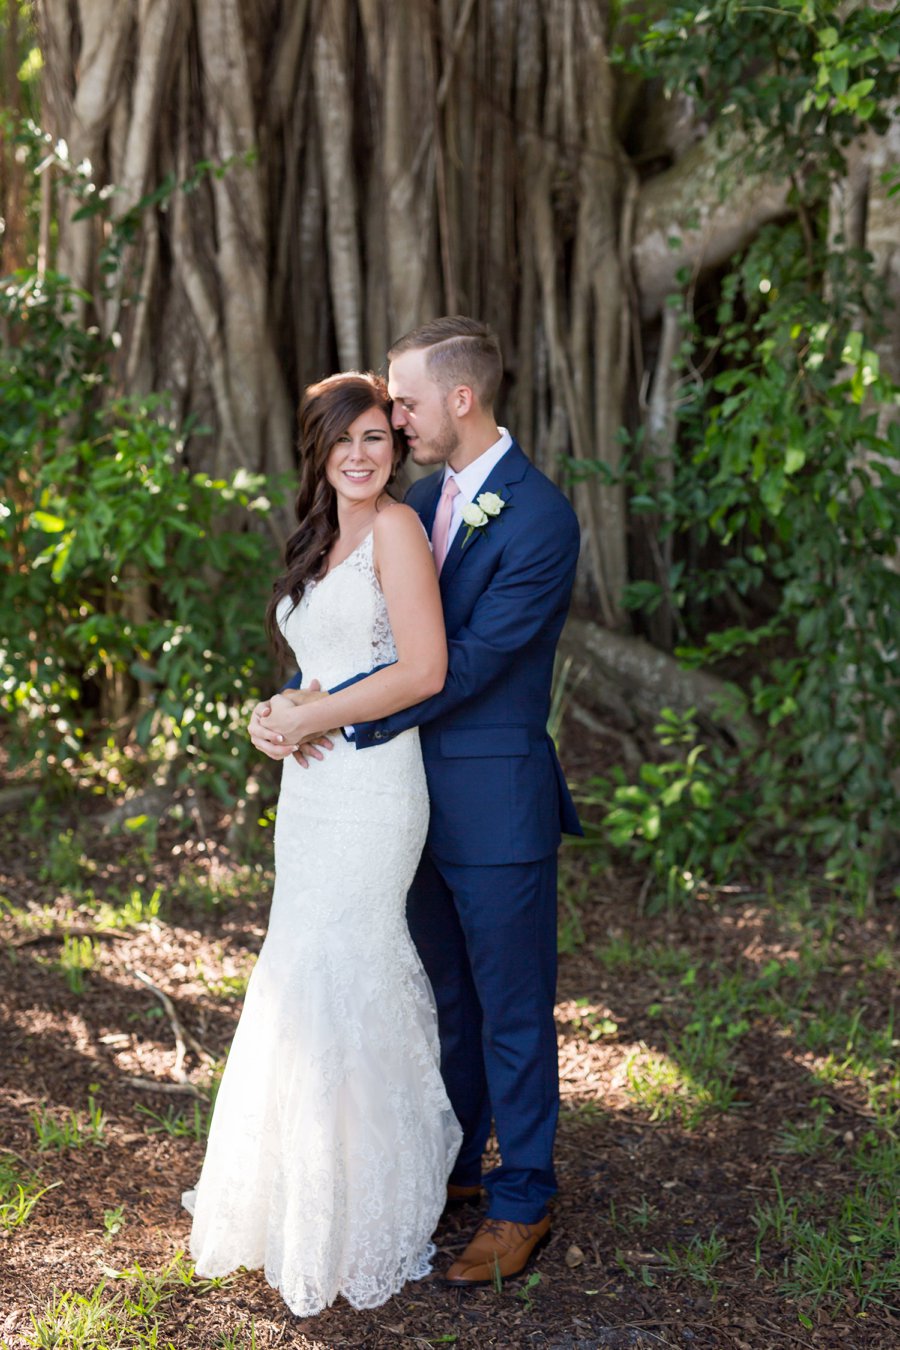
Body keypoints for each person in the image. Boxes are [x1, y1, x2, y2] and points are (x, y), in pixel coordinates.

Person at [253, 317, 582, 1286]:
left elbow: (462, 665)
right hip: (398, 802)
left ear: (460, 400)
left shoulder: (540, 517)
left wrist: (335, 718)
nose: (392, 419)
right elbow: (373, 637)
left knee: (513, 1006)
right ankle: (452, 1164)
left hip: (492, 798)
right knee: (442, 997)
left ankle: (526, 1195)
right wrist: (310, 703)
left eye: (403, 401)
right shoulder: (427, 496)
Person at [183, 371, 462, 1317]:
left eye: (378, 439)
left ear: (394, 447)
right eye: (343, 440)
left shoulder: (396, 530)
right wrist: (282, 710)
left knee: (352, 960)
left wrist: (315, 716)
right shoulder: (319, 536)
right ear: (319, 447)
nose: (360, 454)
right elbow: (324, 667)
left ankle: (367, 1207)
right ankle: (298, 1194)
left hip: (378, 789)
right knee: (299, 965)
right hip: (310, 796)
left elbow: (424, 670)